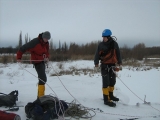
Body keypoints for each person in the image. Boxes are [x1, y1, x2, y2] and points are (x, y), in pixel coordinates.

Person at [16, 31, 51, 98]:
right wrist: (19, 57)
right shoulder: (35, 42)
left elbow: (47, 51)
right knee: (43, 78)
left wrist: (47, 57)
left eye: (48, 39)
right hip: (36, 61)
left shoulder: (46, 43)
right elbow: (23, 48)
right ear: (43, 37)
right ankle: (40, 97)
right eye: (45, 38)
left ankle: (41, 96)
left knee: (43, 79)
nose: (46, 40)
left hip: (42, 61)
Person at [94, 29, 122, 107]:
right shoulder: (101, 45)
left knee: (112, 81)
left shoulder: (114, 44)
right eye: (103, 37)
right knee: (106, 82)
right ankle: (106, 99)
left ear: (109, 37)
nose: (104, 39)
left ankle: (111, 96)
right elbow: (97, 54)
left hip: (113, 65)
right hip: (104, 66)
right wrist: (96, 62)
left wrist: (119, 62)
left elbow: (118, 53)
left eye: (105, 37)